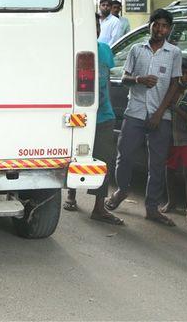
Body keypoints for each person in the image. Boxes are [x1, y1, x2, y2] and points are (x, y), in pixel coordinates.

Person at [105, 8, 182, 226]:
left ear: (169, 29)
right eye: (156, 24)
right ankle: (122, 190)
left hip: (160, 114)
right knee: (125, 155)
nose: (160, 29)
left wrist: (159, 113)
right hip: (135, 111)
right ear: (150, 25)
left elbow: (175, 85)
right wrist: (139, 79)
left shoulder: (174, 53)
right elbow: (125, 77)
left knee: (157, 163)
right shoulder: (137, 50)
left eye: (164, 26)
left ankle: (152, 207)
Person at [63, 13, 124, 226]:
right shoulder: (70, 49)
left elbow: (106, 80)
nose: (94, 30)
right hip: (79, 115)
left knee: (103, 160)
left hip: (104, 114)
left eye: (96, 26)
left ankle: (99, 208)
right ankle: (71, 195)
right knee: (76, 156)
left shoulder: (105, 50)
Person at [161, 58, 187, 225]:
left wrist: (175, 108)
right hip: (171, 138)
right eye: (184, 73)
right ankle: (171, 202)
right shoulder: (170, 90)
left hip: (186, 139)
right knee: (169, 170)